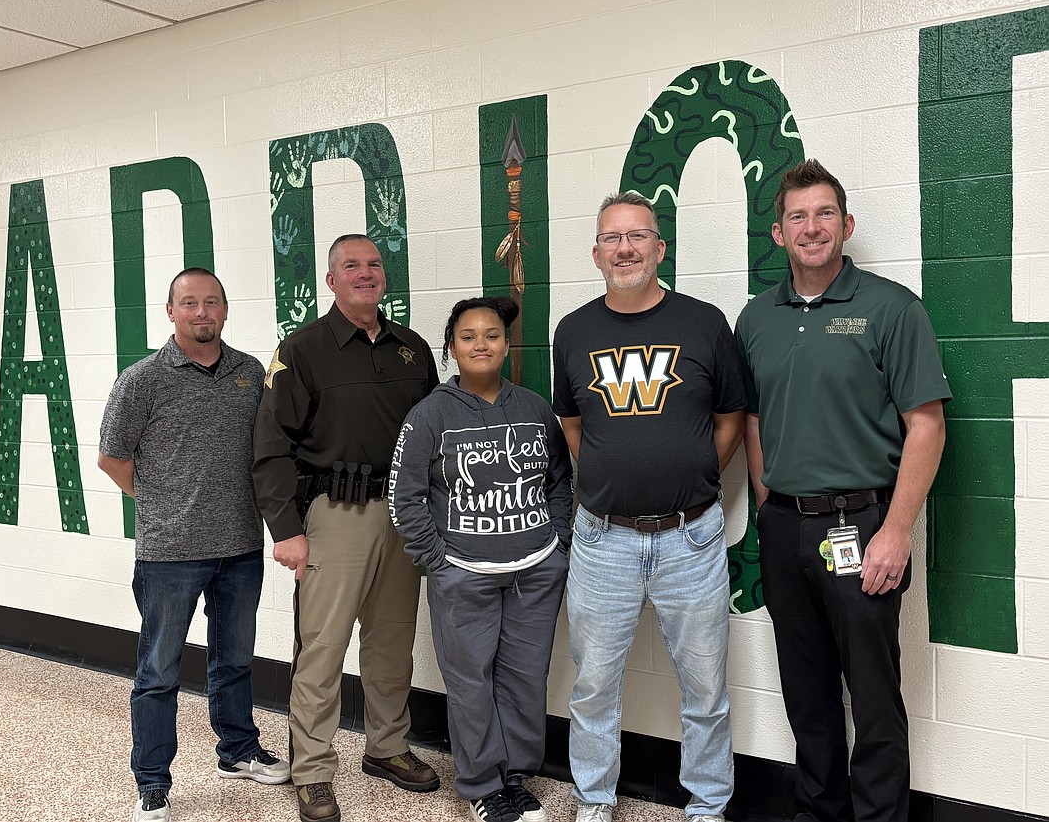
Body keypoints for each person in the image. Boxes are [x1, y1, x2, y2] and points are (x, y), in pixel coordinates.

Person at [734, 159, 950, 822]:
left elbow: (927, 426)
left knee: (875, 695)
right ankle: (817, 812)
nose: (812, 227)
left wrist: (895, 530)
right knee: (806, 691)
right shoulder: (756, 319)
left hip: (860, 526)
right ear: (778, 233)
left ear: (847, 224)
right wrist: (768, 501)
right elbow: (753, 417)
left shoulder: (891, 309)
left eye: (825, 213)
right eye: (797, 216)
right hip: (785, 528)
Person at [552, 191, 746, 822]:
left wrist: (686, 475)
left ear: (660, 249)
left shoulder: (704, 323)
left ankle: (708, 805)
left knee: (705, 689)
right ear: (596, 253)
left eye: (638, 236)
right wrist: (619, 476)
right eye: (613, 238)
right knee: (592, 688)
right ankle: (594, 800)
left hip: (691, 538)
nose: (626, 248)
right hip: (602, 538)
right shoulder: (573, 331)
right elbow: (573, 424)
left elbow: (730, 419)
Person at [252, 234, 440, 822]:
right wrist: (285, 529)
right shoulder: (303, 349)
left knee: (391, 643)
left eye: (374, 265)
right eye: (351, 266)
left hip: (403, 514)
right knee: (323, 648)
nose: (366, 273)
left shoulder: (413, 349)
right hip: (334, 515)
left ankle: (387, 747)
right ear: (330, 281)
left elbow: (435, 437)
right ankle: (310, 768)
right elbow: (271, 445)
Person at [98, 268, 288, 822]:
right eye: (189, 304)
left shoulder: (250, 373)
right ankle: (152, 782)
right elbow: (113, 457)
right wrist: (161, 502)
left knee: (234, 661)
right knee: (158, 670)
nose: (201, 312)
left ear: (225, 310)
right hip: (168, 555)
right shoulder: (143, 379)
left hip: (240, 549)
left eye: (211, 303)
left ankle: (238, 751)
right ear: (171, 311)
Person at [389, 296, 573, 822]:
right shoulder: (430, 414)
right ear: (451, 347)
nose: (481, 344)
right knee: (470, 682)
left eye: (491, 335)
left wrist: (557, 542)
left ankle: (513, 777)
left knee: (524, 677)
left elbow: (560, 480)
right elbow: (404, 495)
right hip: (463, 573)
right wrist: (439, 561)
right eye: (467, 336)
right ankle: (482, 786)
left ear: (506, 344)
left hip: (535, 570)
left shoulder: (535, 407)